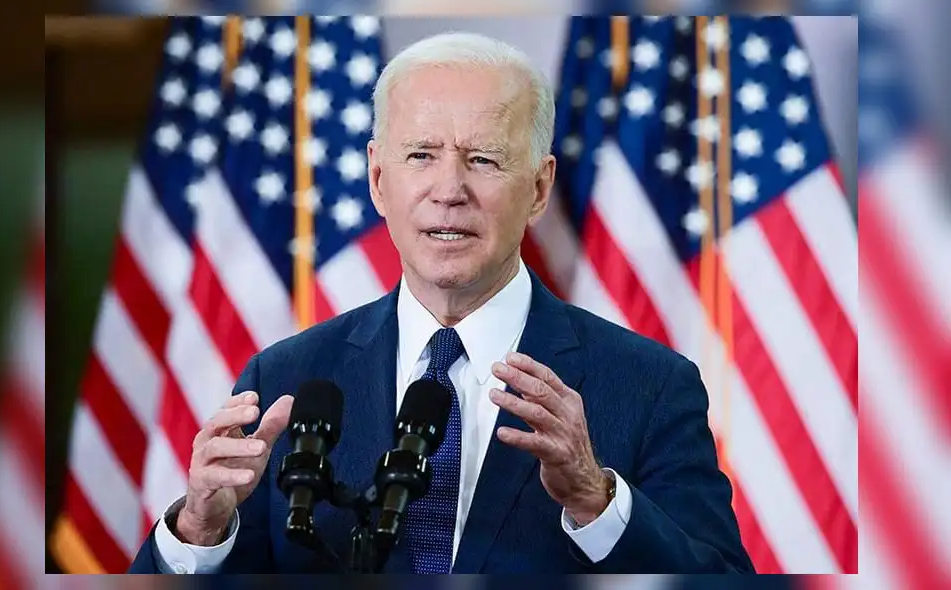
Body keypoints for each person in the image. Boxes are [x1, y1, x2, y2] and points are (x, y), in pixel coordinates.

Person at [127, 31, 754, 574]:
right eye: (421, 156)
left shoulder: (649, 386)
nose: (449, 191)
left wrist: (597, 501)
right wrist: (199, 533)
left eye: (483, 160)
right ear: (378, 179)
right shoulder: (287, 379)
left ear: (539, 190)